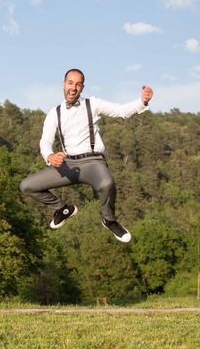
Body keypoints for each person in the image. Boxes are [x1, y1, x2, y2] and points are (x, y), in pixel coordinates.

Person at [20, 68, 153, 243]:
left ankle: (109, 219)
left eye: (78, 84)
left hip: (92, 162)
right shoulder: (54, 113)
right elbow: (44, 141)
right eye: (70, 83)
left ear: (82, 88)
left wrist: (142, 101)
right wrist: (50, 156)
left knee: (107, 184)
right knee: (27, 186)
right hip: (67, 164)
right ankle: (63, 209)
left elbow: (122, 111)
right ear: (63, 84)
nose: (73, 88)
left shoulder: (93, 104)